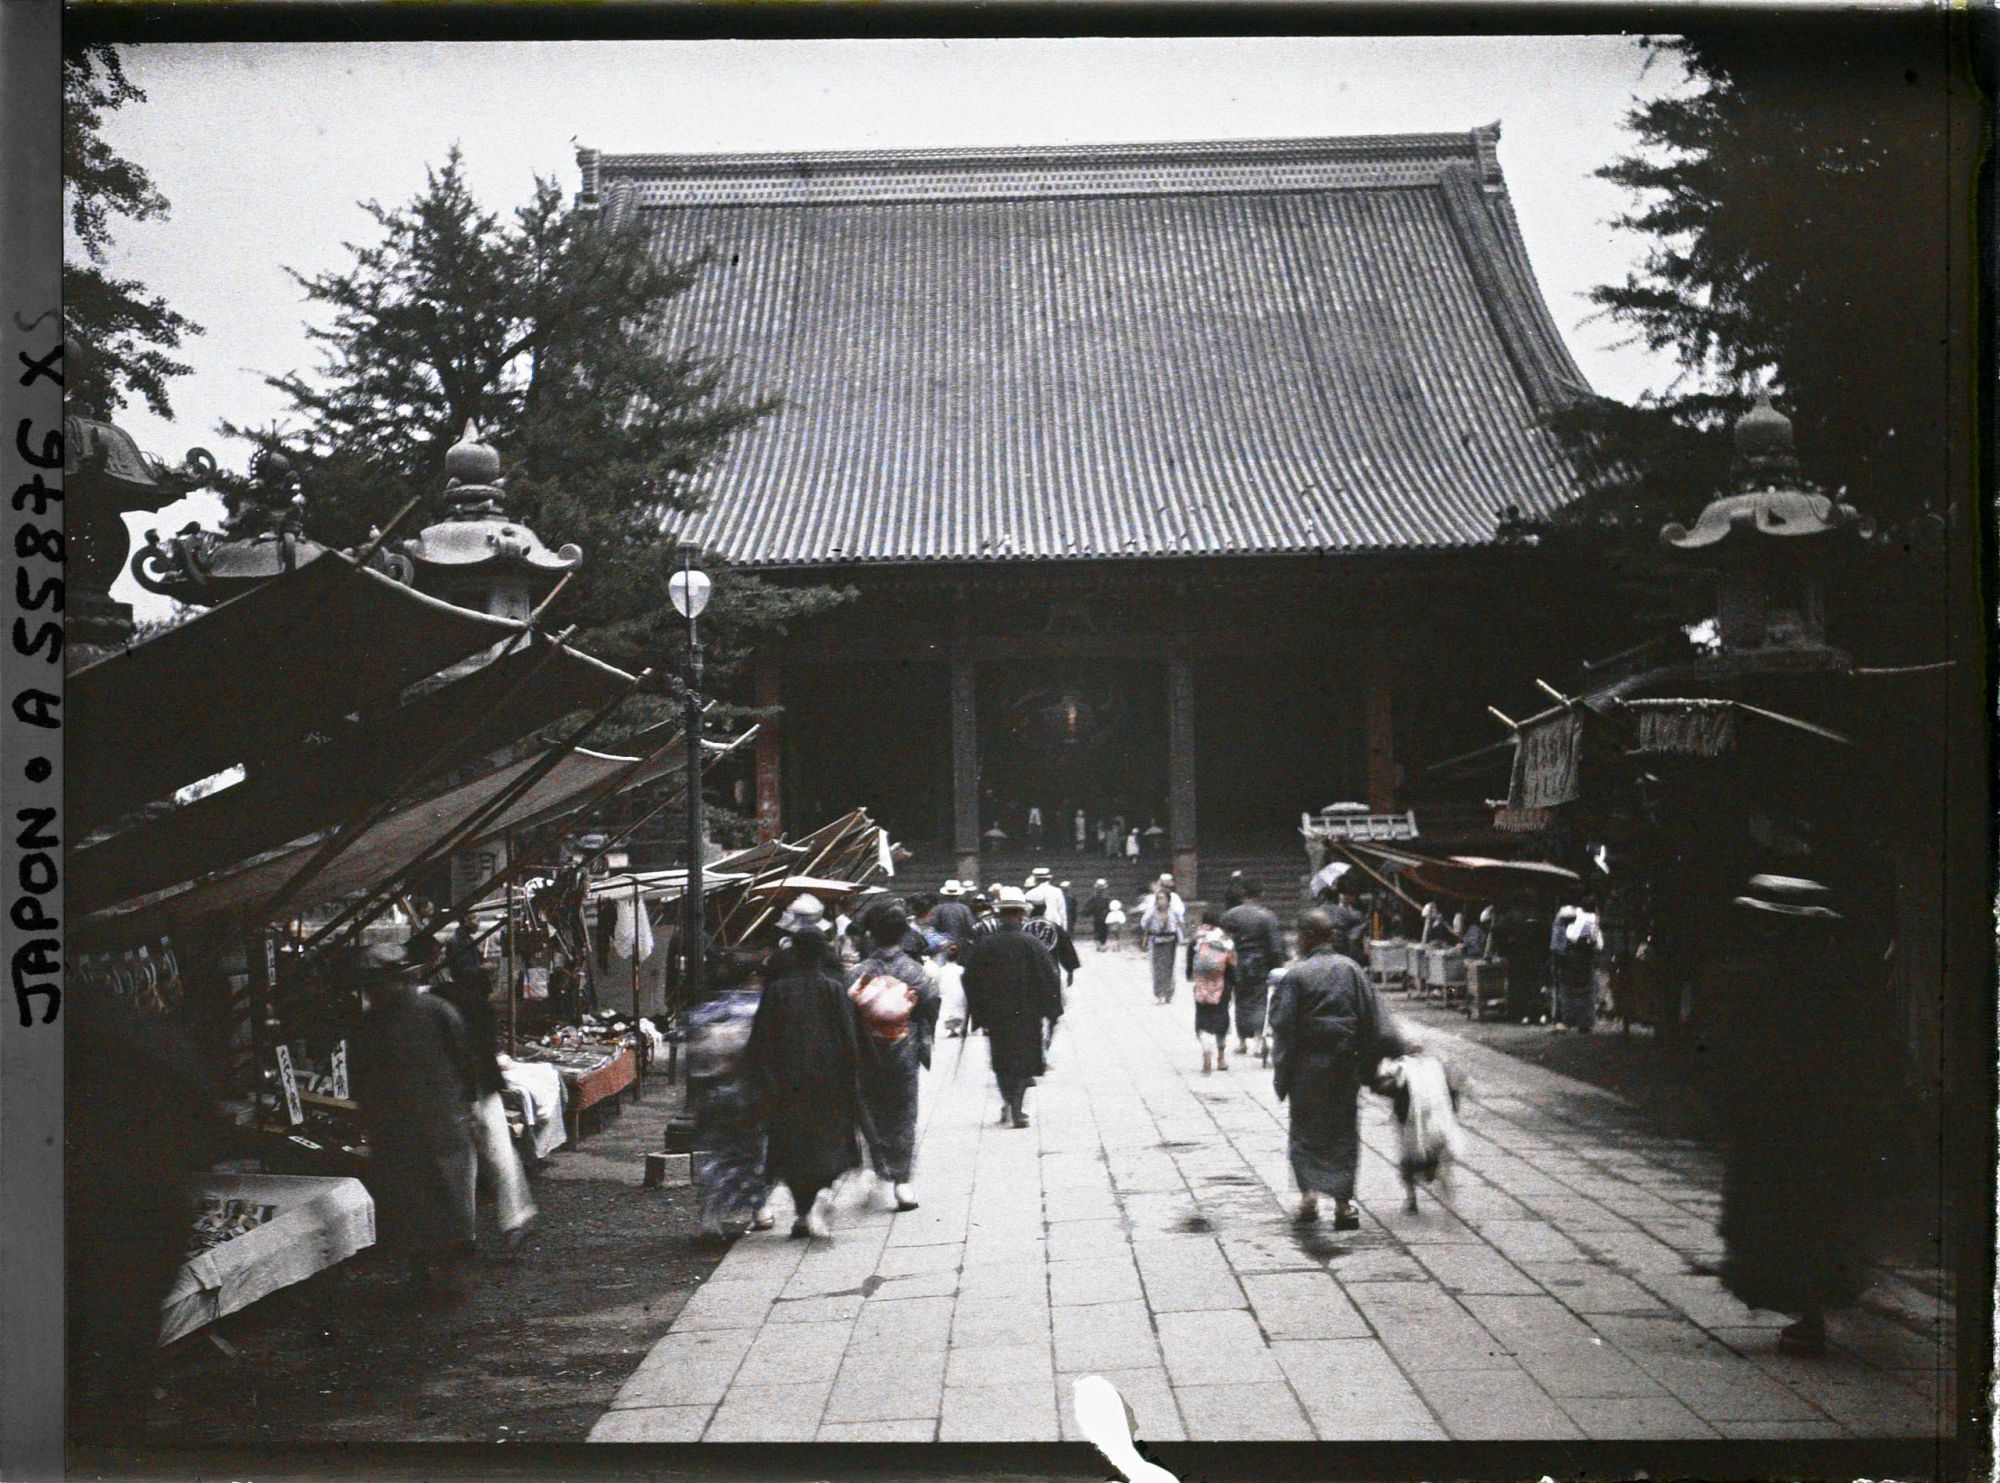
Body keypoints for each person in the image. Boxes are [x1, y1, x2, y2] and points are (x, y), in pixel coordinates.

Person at [1700, 874, 1889, 1357]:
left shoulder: (1757, 976)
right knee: (1807, 1210)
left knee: (1781, 1209)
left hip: (1779, 1114)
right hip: (1813, 1114)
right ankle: (1808, 1305)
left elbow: (1728, 1048)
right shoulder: (1836, 978)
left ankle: (1804, 1307)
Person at [349, 943, 480, 1290]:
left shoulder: (438, 1011)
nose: (374, 992)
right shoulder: (368, 1025)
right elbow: (360, 1077)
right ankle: (421, 1268)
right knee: (408, 1200)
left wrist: (466, 1103)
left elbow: (465, 1061)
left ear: (402, 980)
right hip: (396, 1125)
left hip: (439, 1120)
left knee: (446, 1196)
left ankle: (450, 1269)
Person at [1268, 909, 1407, 1230]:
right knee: (1343, 1132)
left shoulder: (1296, 975)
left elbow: (1283, 1027)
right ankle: (1344, 1205)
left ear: (1304, 938)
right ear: (1331, 937)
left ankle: (1308, 1198)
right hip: (1344, 1064)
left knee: (1305, 1131)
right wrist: (1372, 1068)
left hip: (1306, 1066)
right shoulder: (1352, 970)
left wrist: (1282, 1074)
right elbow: (1372, 1021)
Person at [743, 905, 869, 1240]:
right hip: (827, 1083)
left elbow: (761, 1039)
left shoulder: (778, 990)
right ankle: (810, 1206)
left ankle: (798, 1211)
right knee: (824, 1146)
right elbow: (849, 1038)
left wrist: (761, 1078)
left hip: (786, 1084)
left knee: (790, 1146)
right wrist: (853, 1078)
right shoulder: (834, 989)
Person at [434, 925, 537, 1251]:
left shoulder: (440, 1000)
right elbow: (483, 1051)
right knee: (498, 1152)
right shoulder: (474, 1007)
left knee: (462, 1161)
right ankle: (514, 1219)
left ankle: (463, 1232)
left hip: (454, 1088)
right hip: (477, 1085)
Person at [847, 904, 941, 1212]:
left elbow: (846, 1012)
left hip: (866, 1050)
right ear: (902, 934)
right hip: (903, 1047)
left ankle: (878, 1166)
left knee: (870, 1109)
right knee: (903, 1112)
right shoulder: (914, 971)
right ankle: (902, 1182)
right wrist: (919, 1029)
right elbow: (931, 1003)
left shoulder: (857, 973)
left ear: (871, 934)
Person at [684, 950, 775, 1239]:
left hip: (713, 1093)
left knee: (716, 1154)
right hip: (749, 1093)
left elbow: (692, 1058)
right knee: (754, 1153)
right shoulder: (760, 1008)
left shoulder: (703, 1013)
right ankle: (759, 1209)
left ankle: (710, 1216)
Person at [960, 887, 1064, 1128]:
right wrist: (1052, 1011)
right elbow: (1050, 978)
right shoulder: (1033, 944)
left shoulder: (986, 945)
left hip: (997, 1015)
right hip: (1027, 1014)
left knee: (1002, 1060)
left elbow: (969, 978)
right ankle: (1017, 1107)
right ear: (1021, 914)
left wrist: (978, 1012)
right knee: (1024, 1060)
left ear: (1000, 914)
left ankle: (1008, 1101)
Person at [1221, 877, 1286, 1061]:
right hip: (1260, 962)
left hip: (1237, 961)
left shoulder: (1230, 915)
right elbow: (1275, 946)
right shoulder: (1268, 916)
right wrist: (1277, 965)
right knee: (1259, 999)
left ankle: (1242, 1041)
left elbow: (1223, 939)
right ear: (1261, 894)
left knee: (1239, 998)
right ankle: (1258, 1038)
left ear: (1243, 893)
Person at [1190, 909, 1236, 1073]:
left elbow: (1190, 964)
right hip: (1222, 985)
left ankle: (1206, 1053)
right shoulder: (1225, 940)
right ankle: (1221, 1058)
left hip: (1202, 986)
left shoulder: (1198, 938)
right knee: (1221, 1018)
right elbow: (1233, 965)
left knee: (1202, 1019)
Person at [1553, 894, 1603, 1032]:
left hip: (1571, 955)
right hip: (1586, 956)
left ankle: (1568, 1020)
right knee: (1586, 991)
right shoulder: (1592, 920)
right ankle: (1585, 1022)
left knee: (1568, 990)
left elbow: (1571, 936)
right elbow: (1597, 943)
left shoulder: (1571, 916)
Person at [1025, 895, 1082, 989]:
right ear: (1044, 909)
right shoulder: (1054, 927)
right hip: (1051, 970)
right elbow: (1066, 949)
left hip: (1028, 972)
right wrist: (1070, 971)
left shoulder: (1022, 928)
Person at [1139, 887, 1184, 1004]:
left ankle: (1169, 993)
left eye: (1163, 899)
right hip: (1156, 941)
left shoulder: (1173, 912)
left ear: (1168, 900)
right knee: (1157, 969)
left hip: (1170, 941)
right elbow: (1144, 924)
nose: (1161, 901)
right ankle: (1159, 994)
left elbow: (1180, 923)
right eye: (1159, 899)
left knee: (1169, 968)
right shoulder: (1151, 912)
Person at [932, 880, 977, 951]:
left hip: (943, 945)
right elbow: (971, 927)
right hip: (961, 945)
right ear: (958, 895)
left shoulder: (939, 909)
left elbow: (934, 927)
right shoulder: (964, 908)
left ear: (945, 895)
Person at [1026, 866, 1069, 930]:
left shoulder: (1030, 893)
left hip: (1038, 927)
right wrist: (1064, 928)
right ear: (1049, 879)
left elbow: (1027, 913)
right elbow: (1062, 912)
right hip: (1056, 925)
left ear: (1036, 879)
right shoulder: (1057, 891)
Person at [1084, 879, 1113, 950]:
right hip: (1099, 914)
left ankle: (1100, 944)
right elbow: (1089, 905)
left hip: (1102, 915)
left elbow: (1110, 905)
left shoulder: (1104, 896)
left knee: (1101, 929)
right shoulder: (1096, 896)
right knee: (1100, 929)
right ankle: (1100, 944)